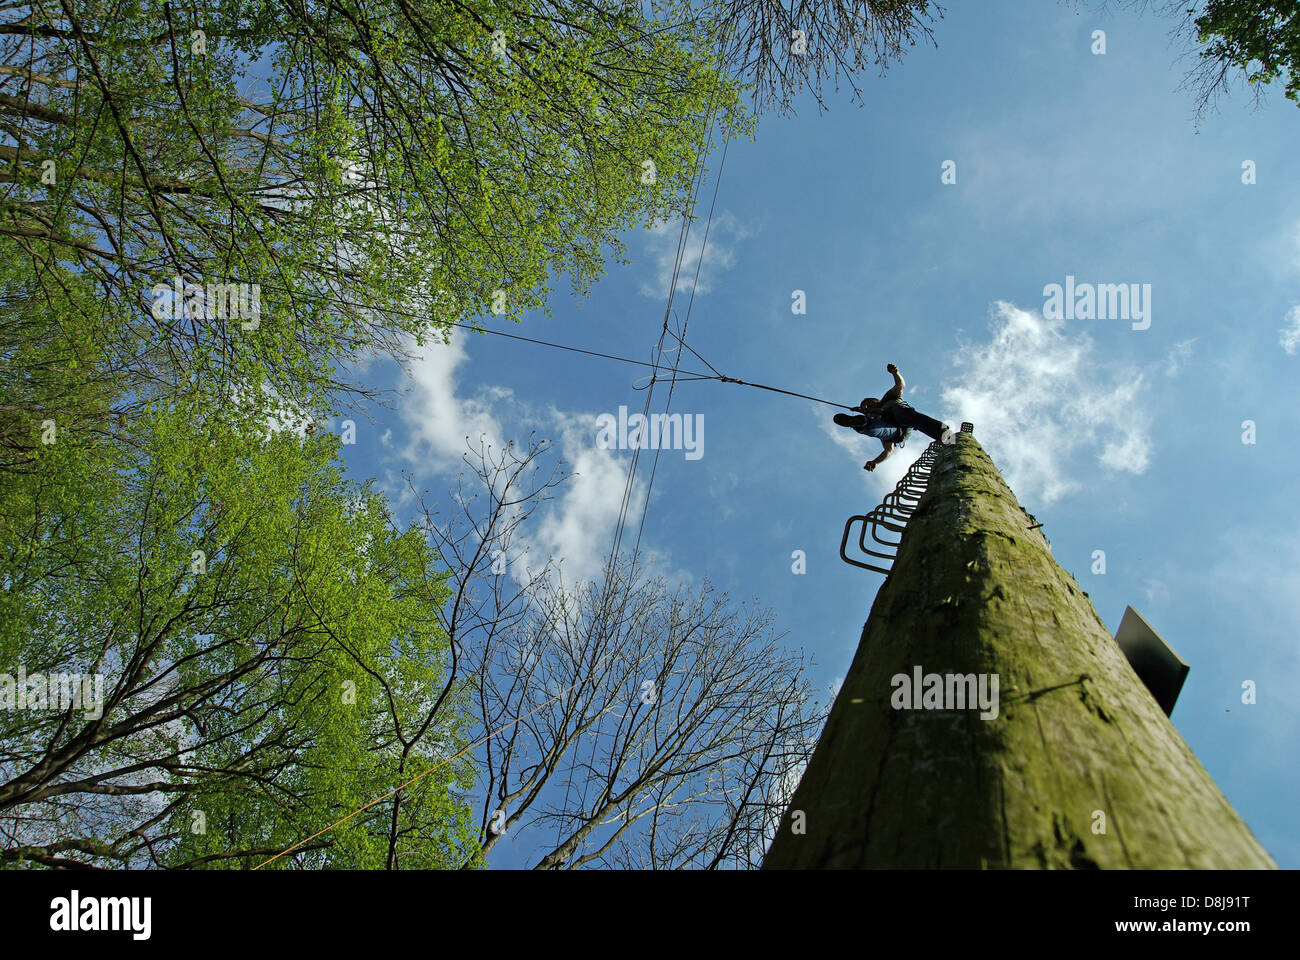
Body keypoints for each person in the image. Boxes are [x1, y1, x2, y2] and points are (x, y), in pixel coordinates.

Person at [832, 363, 952, 471]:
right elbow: (889, 451)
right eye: (866, 407)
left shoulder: (888, 398)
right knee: (875, 429)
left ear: (876, 400)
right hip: (894, 431)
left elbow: (900, 385)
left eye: (869, 403)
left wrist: (896, 373)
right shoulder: (875, 418)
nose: (868, 406)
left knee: (900, 412)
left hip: (902, 416)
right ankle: (860, 424)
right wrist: (875, 462)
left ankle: (943, 432)